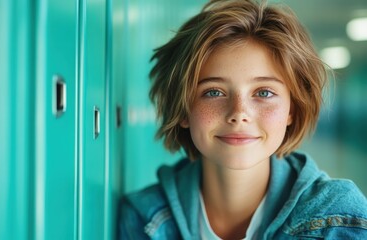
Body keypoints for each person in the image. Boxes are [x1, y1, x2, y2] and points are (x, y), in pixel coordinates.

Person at [118, 0, 367, 239]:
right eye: (213, 92)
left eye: (264, 93)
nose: (239, 113)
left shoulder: (339, 218)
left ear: (292, 109)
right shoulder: (143, 218)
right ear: (183, 109)